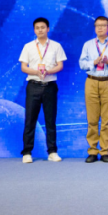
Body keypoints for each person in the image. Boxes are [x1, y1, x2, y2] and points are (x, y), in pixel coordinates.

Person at [18, 17, 66, 163]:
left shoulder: (56, 46)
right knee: (30, 120)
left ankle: (52, 152)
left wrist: (48, 71)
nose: (40, 30)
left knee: (50, 120)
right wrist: (36, 72)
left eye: (43, 27)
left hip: (50, 86)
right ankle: (27, 152)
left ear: (48, 29)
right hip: (33, 85)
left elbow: (60, 65)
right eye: (37, 28)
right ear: (34, 30)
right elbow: (23, 67)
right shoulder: (28, 46)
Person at [78, 15, 108, 164]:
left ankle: (105, 151)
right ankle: (92, 151)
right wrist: (94, 62)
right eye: (97, 25)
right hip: (91, 81)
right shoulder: (88, 45)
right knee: (92, 119)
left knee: (106, 120)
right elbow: (82, 64)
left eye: (103, 25)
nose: (100, 28)